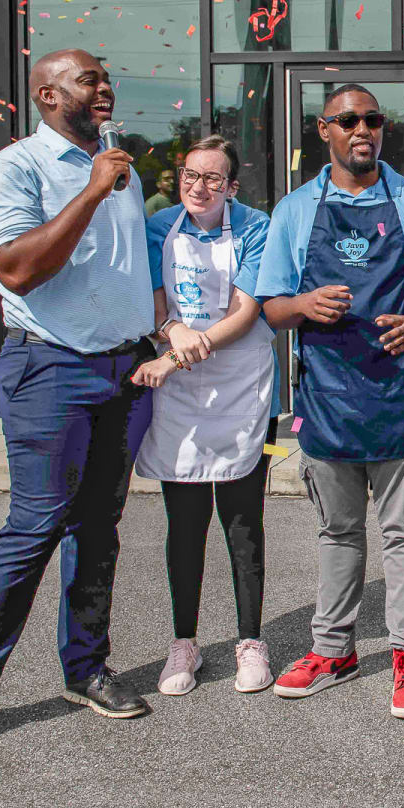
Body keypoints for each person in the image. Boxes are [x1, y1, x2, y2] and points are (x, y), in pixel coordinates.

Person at [0, 49, 156, 763]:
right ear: (49, 95)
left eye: (108, 76)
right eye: (89, 79)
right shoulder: (15, 169)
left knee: (98, 526)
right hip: (49, 367)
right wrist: (88, 192)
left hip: (122, 369)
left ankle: (86, 669)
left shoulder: (115, 159)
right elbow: (16, 266)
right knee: (33, 527)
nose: (106, 86)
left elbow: (119, 269)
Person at [255, 84, 404, 720]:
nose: (362, 130)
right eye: (347, 120)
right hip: (326, 399)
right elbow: (270, 305)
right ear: (324, 130)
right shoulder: (296, 210)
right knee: (338, 531)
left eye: (372, 120)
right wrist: (303, 306)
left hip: (401, 398)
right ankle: (334, 649)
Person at [131, 136, 280, 697]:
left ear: (232, 186)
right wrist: (173, 334)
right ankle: (184, 643)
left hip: (241, 387)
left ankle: (250, 641)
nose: (200, 187)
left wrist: (175, 355)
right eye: (191, 175)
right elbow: (154, 300)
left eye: (214, 179)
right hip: (181, 399)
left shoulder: (255, 227)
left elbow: (245, 312)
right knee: (185, 525)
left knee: (243, 523)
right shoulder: (158, 226)